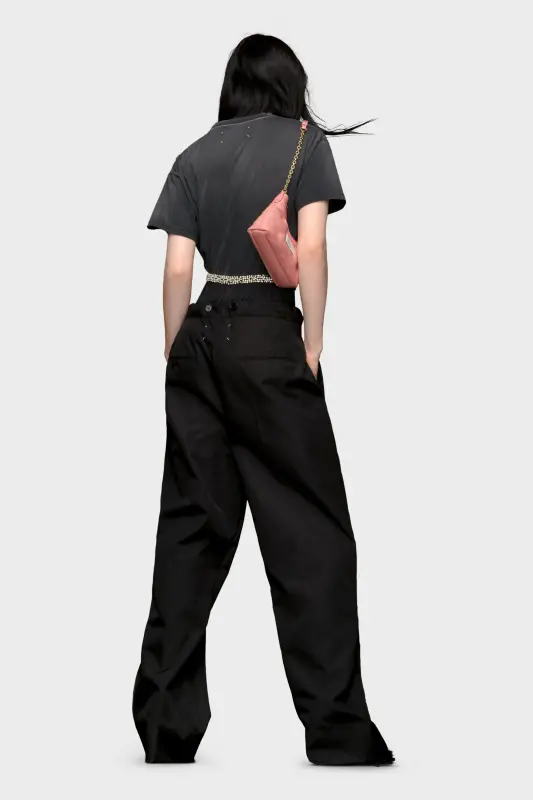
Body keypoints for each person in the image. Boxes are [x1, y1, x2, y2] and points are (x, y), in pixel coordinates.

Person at [132, 33, 394, 767]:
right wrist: (311, 338)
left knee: (190, 531)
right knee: (310, 532)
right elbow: (310, 249)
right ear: (288, 83)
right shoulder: (305, 145)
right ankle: (337, 732)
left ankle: (164, 730)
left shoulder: (193, 155)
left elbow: (176, 268)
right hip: (268, 338)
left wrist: (175, 348)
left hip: (198, 339)